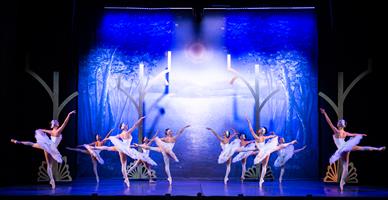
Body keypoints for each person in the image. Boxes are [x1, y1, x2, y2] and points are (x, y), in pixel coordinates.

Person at [320, 108, 385, 191]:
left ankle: (341, 184)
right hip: (344, 148)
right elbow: (330, 123)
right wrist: (360, 134)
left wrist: (325, 113)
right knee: (360, 150)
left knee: (346, 166)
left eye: (339, 122)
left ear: (340, 125)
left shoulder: (339, 131)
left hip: (343, 148)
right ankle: (378, 149)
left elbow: (330, 123)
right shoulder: (341, 132)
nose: (338, 123)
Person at [11, 110, 76, 189]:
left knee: (32, 144)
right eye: (57, 122)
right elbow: (65, 122)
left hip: (46, 146)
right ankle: (52, 181)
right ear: (56, 125)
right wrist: (69, 114)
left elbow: (43, 130)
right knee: (50, 165)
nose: (58, 123)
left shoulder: (51, 131)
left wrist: (40, 130)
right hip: (52, 149)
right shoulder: (58, 131)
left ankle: (18, 142)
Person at [92, 116, 145, 187]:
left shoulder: (120, 134)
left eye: (124, 124)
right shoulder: (128, 132)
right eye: (123, 125)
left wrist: (106, 139)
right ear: (122, 128)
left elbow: (114, 137)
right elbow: (135, 125)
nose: (125, 125)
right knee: (123, 164)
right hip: (124, 149)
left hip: (121, 147)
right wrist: (141, 119)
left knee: (108, 148)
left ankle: (95, 148)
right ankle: (126, 180)